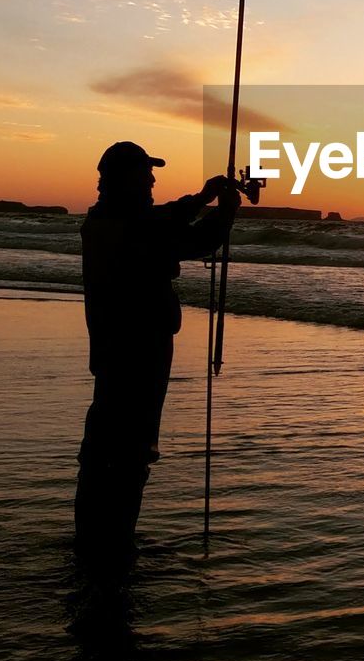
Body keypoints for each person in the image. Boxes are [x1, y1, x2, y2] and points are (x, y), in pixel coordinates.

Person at [75, 141, 240, 562]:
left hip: (115, 355)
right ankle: (113, 549)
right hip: (138, 354)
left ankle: (94, 542)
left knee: (102, 453)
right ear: (124, 178)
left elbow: (161, 220)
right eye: (145, 172)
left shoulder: (103, 221)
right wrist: (224, 213)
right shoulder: (130, 227)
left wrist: (203, 198)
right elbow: (193, 240)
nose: (152, 179)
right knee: (130, 454)